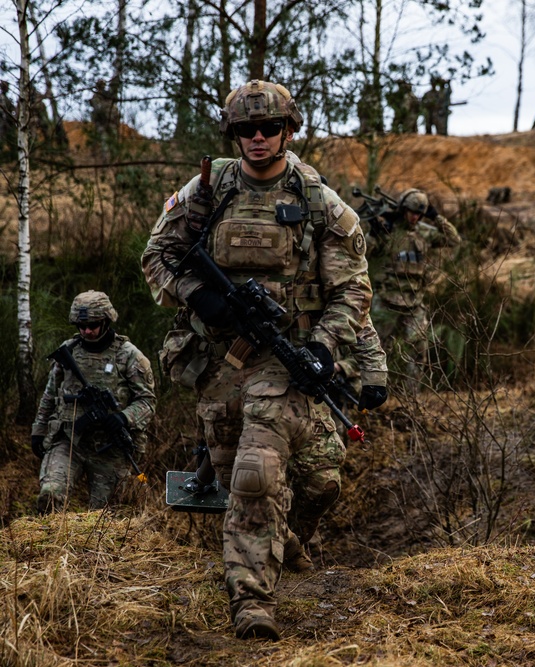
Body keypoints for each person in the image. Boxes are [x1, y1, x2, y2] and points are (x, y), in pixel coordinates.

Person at [141, 79, 388, 641]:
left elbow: (353, 290)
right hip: (221, 357)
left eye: (269, 128)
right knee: (235, 479)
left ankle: (252, 603)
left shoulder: (318, 201)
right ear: (232, 134)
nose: (257, 138)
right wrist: (194, 293)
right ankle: (286, 550)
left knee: (259, 477)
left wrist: (325, 346)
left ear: (289, 131)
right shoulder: (209, 188)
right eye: (245, 130)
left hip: (287, 354)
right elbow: (157, 255)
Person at [31, 291, 156, 514]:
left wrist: (123, 417)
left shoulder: (129, 356)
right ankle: (51, 547)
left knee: (104, 518)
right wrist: (39, 430)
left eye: (93, 325)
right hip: (70, 441)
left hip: (109, 449)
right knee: (49, 495)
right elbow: (50, 394)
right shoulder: (68, 351)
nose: (87, 331)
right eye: (81, 325)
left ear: (107, 321)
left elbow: (147, 401)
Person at [366, 188, 461, 389]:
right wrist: (373, 232)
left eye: (419, 213)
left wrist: (436, 217)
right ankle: (373, 391)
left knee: (418, 350)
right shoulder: (388, 229)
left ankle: (412, 397)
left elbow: (454, 239)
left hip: (414, 302)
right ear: (403, 209)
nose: (414, 217)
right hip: (387, 300)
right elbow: (364, 250)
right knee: (377, 349)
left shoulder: (425, 232)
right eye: (411, 212)